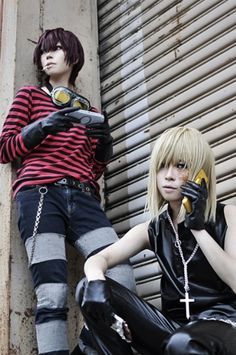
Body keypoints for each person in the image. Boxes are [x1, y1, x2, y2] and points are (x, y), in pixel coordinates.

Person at [0, 28, 136, 355]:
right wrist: (40, 128)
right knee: (52, 293)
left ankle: (88, 349)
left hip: (85, 197)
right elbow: (5, 149)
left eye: (56, 49)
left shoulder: (91, 112)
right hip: (40, 195)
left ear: (73, 57)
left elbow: (95, 169)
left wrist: (104, 144)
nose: (48, 55)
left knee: (121, 278)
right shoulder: (29, 97)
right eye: (44, 51)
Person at [77, 126, 236, 355]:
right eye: (162, 165)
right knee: (87, 288)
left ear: (201, 173)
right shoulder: (153, 229)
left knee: (183, 342)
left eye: (180, 166)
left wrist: (199, 229)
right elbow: (99, 258)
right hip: (173, 331)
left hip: (223, 324)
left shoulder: (228, 216)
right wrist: (96, 283)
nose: (168, 175)